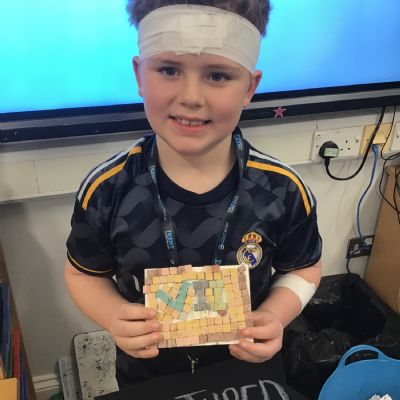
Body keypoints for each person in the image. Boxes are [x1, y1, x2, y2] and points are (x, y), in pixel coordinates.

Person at [64, 0, 322, 389]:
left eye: (217, 75)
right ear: (139, 74)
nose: (191, 97)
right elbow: (83, 273)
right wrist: (112, 314)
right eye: (169, 70)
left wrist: (276, 314)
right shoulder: (106, 190)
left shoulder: (283, 190)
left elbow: (303, 268)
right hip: (148, 378)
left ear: (249, 87)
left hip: (246, 373)